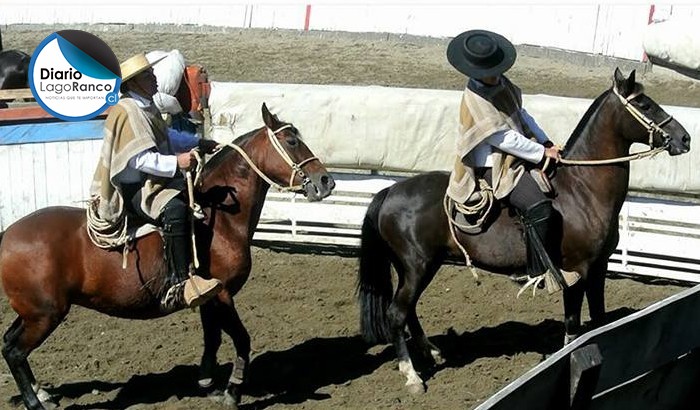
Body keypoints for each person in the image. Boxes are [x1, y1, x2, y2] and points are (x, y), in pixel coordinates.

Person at [445, 29, 579, 293]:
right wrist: (541, 154)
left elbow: (520, 115)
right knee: (540, 206)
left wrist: (545, 142)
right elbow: (502, 138)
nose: (496, 74)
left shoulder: (501, 83)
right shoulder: (474, 98)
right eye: (491, 70)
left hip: (517, 150)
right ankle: (534, 271)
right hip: (492, 164)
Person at [89, 53, 222, 311]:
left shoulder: (145, 106)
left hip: (148, 180)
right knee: (174, 208)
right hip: (132, 187)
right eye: (149, 76)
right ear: (135, 82)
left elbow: (166, 137)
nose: (155, 79)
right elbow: (138, 159)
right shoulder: (128, 112)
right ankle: (179, 282)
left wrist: (197, 144)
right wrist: (176, 163)